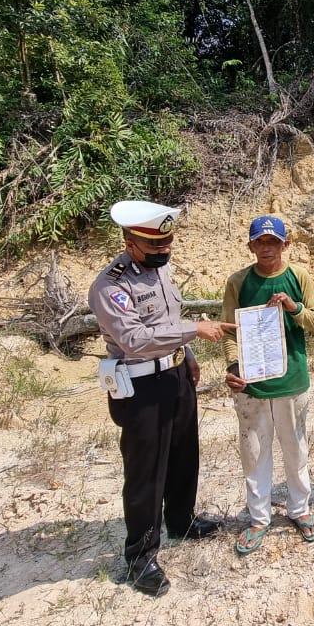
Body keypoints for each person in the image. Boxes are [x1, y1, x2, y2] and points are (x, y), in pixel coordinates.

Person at [88, 200, 235, 597]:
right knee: (146, 472)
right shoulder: (111, 285)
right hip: (141, 388)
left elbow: (167, 318)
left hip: (175, 377)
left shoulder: (160, 267)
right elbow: (134, 339)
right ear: (130, 242)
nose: (163, 253)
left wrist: (186, 357)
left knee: (185, 455)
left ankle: (182, 522)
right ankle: (141, 556)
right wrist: (193, 333)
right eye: (155, 248)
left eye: (167, 245)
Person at [221, 215, 314, 555]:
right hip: (252, 385)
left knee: (295, 448)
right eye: (260, 242)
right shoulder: (238, 282)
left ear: (286, 244)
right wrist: (234, 366)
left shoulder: (299, 277)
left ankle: (300, 509)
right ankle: (258, 518)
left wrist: (293, 307)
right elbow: (228, 330)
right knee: (254, 452)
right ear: (251, 245)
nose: (266, 248)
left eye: (273, 242)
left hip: (291, 379)